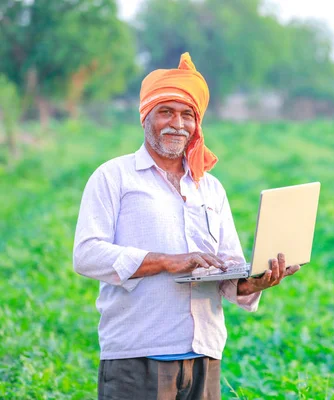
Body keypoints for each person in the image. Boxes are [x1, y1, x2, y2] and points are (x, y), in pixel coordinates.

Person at [73, 52, 300, 400]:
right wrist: (167, 260)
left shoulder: (209, 187)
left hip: (204, 355)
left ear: (197, 124)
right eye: (166, 111)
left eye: (187, 115)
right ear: (146, 116)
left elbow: (228, 271)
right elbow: (87, 255)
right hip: (137, 355)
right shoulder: (113, 177)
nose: (177, 123)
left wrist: (254, 281)